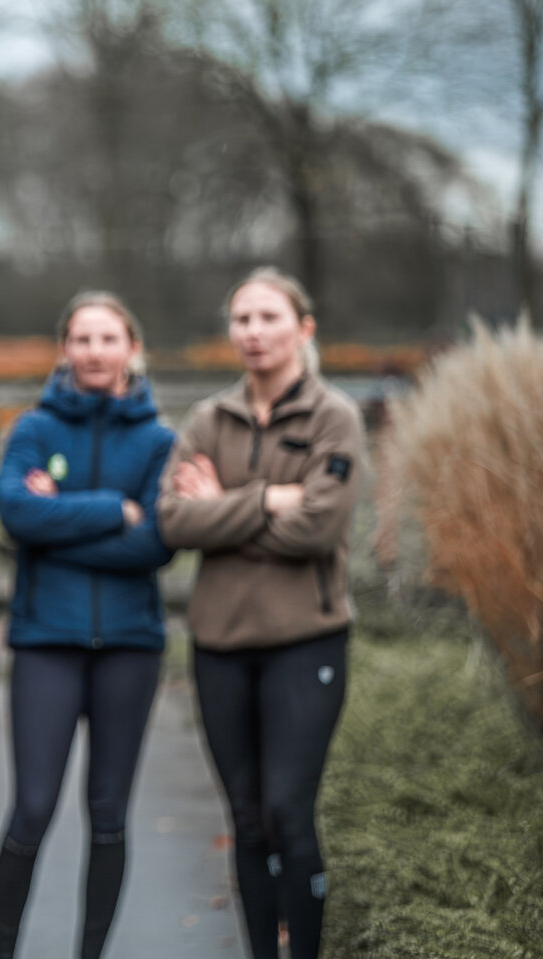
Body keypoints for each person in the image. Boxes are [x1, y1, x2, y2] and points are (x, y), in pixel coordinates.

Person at [157, 267, 366, 959]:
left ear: (304, 328)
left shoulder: (334, 416)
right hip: (219, 646)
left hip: (305, 644)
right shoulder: (208, 419)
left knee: (287, 813)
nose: (253, 331)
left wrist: (223, 506)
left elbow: (318, 530)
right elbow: (172, 521)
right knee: (246, 821)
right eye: (242, 318)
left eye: (269, 317)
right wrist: (272, 499)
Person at [0, 291, 175, 959]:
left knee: (108, 814)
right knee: (33, 808)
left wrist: (58, 522)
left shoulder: (160, 441)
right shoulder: (34, 430)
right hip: (47, 643)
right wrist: (113, 509)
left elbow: (157, 542)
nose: (95, 351)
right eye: (83, 338)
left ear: (132, 348)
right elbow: (15, 512)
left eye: (108, 338)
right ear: (65, 348)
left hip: (130, 646)